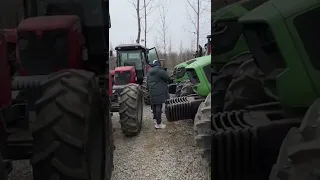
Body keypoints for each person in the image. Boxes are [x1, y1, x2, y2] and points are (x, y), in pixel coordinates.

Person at [147, 60, 171, 129]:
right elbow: (167, 78)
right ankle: (158, 124)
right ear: (158, 65)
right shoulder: (159, 70)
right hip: (159, 91)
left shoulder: (149, 71)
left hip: (152, 90)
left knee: (154, 106)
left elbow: (147, 82)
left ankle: (155, 120)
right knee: (158, 107)